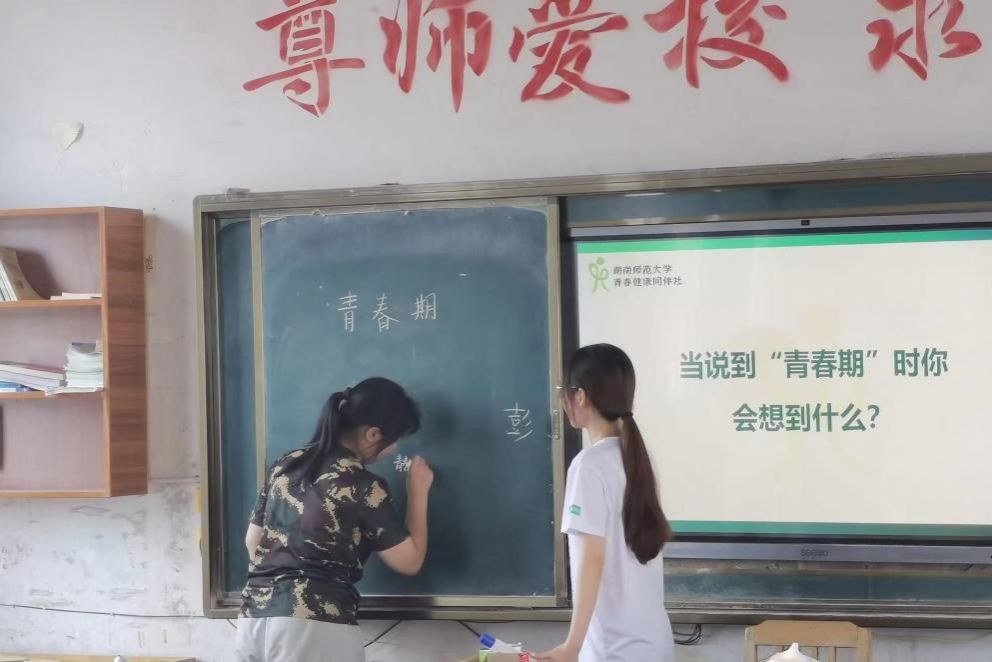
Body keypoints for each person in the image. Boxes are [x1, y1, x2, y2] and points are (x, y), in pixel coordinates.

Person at [235, 377, 434, 662]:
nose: (393, 450)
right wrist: (418, 493)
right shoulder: (362, 485)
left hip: (253, 617)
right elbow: (409, 560)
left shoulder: (285, 465)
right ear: (373, 434)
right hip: (314, 623)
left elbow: (253, 541)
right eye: (394, 440)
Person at [537, 344, 675, 662]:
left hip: (615, 650)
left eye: (563, 392)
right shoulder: (639, 459)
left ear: (580, 396)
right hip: (653, 645)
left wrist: (571, 646)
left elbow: (592, 559)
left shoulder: (589, 465)